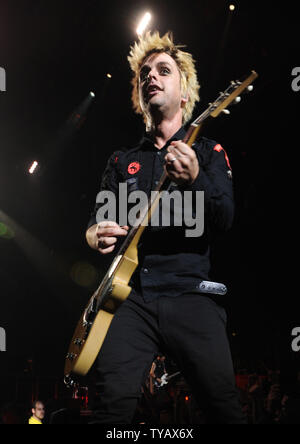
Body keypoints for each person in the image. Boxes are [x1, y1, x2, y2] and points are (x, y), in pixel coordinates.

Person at [86, 31, 246, 424]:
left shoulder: (208, 153)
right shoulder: (122, 161)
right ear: (139, 96)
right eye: (144, 74)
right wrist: (92, 233)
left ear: (186, 94)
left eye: (163, 70)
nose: (150, 77)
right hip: (131, 299)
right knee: (110, 409)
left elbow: (224, 218)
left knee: (224, 407)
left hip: (191, 293)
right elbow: (98, 219)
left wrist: (195, 180)